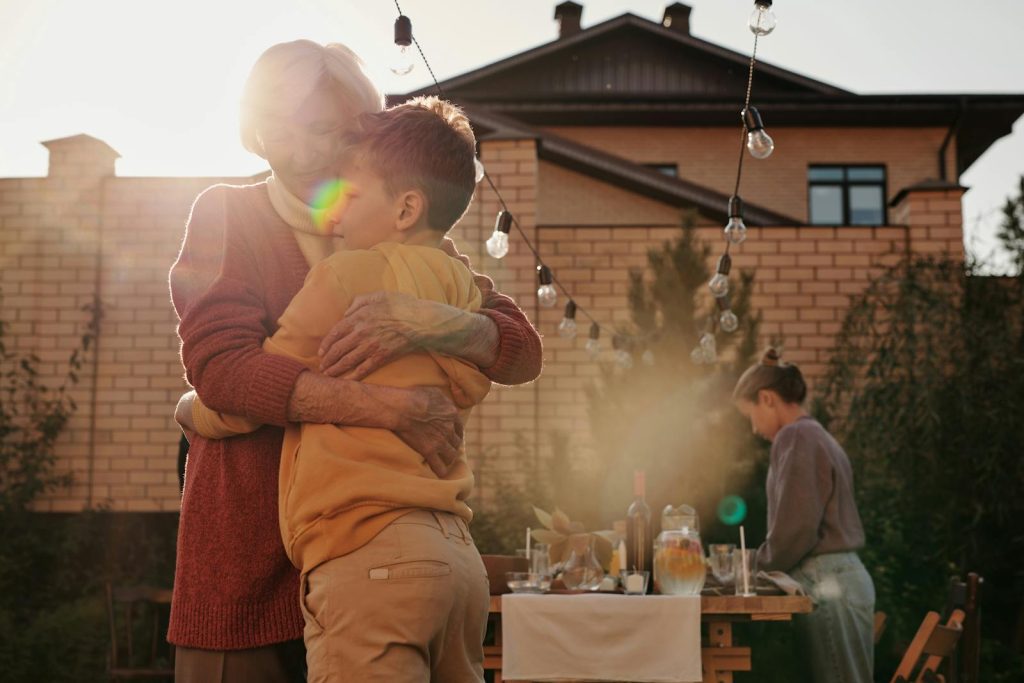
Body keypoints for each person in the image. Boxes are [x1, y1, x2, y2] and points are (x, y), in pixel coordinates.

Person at [168, 40, 542, 682]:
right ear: (259, 131)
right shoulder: (229, 213)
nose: (316, 150)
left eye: (334, 131)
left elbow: (520, 350)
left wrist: (435, 322)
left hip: (373, 553)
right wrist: (388, 407)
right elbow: (222, 368)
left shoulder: (402, 236)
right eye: (295, 128)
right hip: (248, 553)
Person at [732, 348, 874, 683]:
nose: (753, 428)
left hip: (827, 584)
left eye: (750, 415)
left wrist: (751, 570)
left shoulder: (795, 436)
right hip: (842, 579)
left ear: (767, 398)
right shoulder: (815, 435)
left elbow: (795, 531)